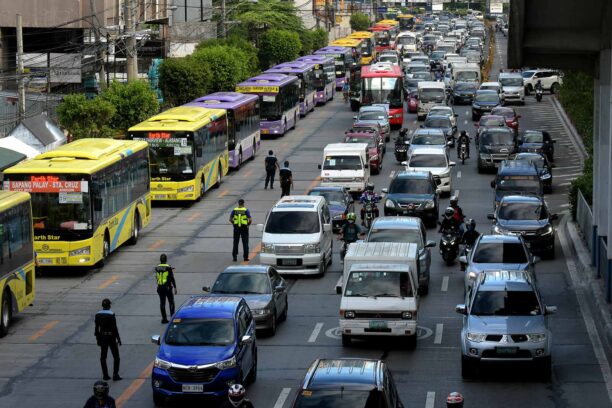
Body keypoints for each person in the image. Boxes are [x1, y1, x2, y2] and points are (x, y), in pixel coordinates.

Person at [94, 299, 121, 381]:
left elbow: (96, 330)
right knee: (116, 357)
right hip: (111, 337)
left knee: (103, 357)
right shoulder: (111, 315)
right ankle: (115, 375)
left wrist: (98, 339)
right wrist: (118, 338)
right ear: (109, 306)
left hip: (102, 337)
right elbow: (114, 328)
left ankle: (105, 375)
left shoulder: (97, 315)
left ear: (102, 306)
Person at [155, 254, 177, 324]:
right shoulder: (168, 267)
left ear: (160, 260)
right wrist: (175, 287)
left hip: (159, 287)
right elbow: (172, 278)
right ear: (166, 260)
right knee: (171, 302)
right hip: (167, 287)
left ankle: (164, 319)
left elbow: (158, 276)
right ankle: (172, 318)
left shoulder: (157, 268)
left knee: (162, 303)